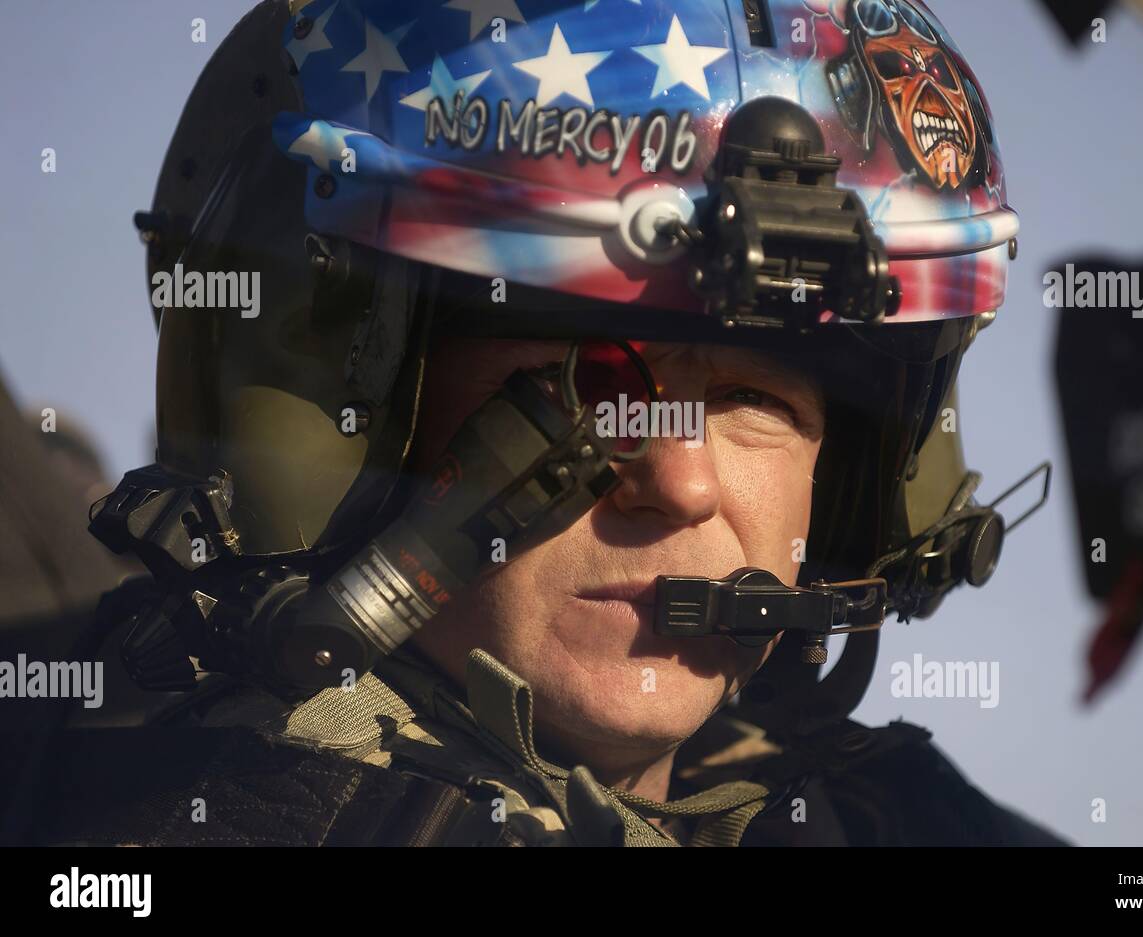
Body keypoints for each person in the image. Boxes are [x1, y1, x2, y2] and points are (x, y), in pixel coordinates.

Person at [4, 0, 1064, 846]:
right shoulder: (93, 783)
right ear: (354, 421)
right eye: (586, 386)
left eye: (754, 401)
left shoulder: (892, 817)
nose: (681, 483)